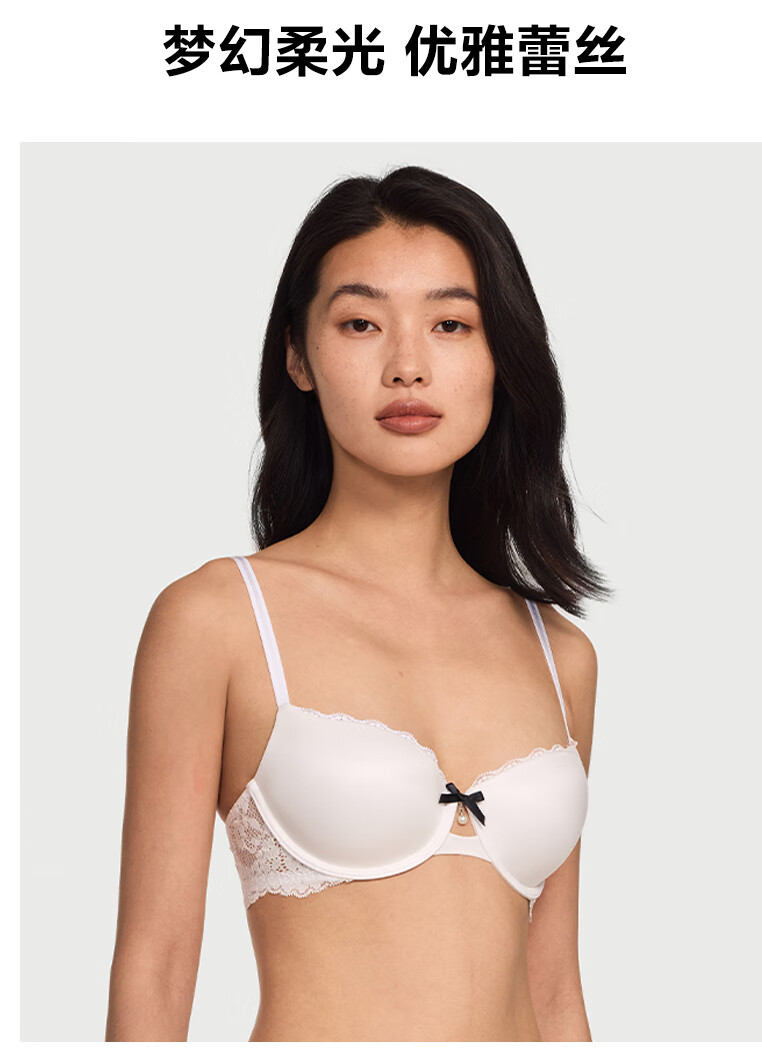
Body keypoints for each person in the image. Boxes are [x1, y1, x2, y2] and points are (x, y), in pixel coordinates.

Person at [105, 164, 612, 1042]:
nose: (408, 366)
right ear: (298, 356)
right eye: (361, 323)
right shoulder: (219, 620)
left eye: (451, 325)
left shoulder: (559, 652)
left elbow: (557, 991)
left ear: (501, 356)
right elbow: (156, 967)